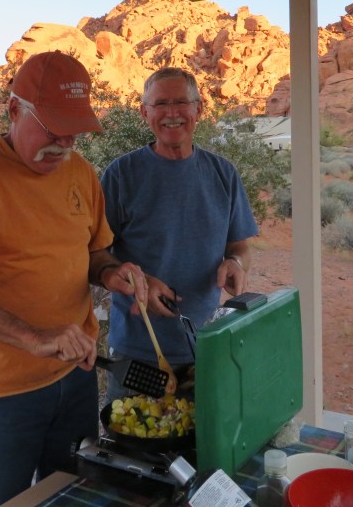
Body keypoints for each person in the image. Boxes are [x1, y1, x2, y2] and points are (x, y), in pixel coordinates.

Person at [0, 51, 148, 507]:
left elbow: (94, 252)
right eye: (52, 128)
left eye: (73, 131)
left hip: (77, 375)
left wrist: (115, 273)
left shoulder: (80, 173)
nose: (62, 143)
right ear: (14, 109)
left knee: (72, 497)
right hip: (4, 393)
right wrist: (32, 337)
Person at [100, 67, 258, 396]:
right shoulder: (121, 175)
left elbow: (239, 246)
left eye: (181, 103)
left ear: (198, 109)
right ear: (145, 113)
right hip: (138, 352)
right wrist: (136, 281)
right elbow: (96, 255)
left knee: (202, 446)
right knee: (134, 442)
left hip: (207, 347)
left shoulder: (223, 173)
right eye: (160, 104)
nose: (171, 114)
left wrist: (236, 264)